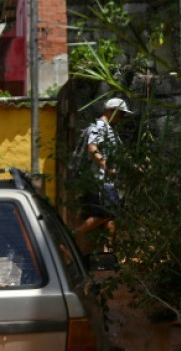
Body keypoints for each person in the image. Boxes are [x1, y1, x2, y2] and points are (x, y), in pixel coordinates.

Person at [74, 97, 132, 249]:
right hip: (100, 180)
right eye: (121, 113)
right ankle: (71, 237)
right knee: (105, 214)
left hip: (108, 181)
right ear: (111, 111)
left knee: (111, 217)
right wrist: (107, 167)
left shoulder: (110, 129)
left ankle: (108, 255)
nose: (122, 117)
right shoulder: (99, 126)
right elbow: (92, 148)